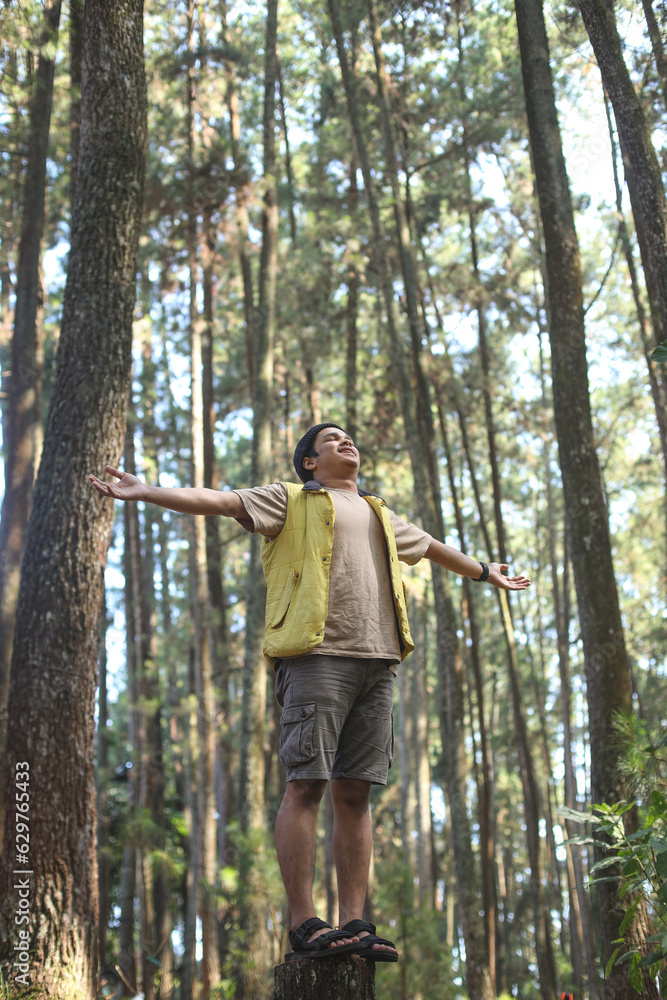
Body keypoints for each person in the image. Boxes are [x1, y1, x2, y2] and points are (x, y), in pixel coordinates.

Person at [89, 421, 530, 963]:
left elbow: (435, 549)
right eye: (332, 440)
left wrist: (486, 572)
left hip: (380, 663)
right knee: (307, 784)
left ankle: (354, 922)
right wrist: (147, 490)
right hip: (316, 655)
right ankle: (303, 922)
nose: (347, 443)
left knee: (356, 793)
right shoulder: (290, 500)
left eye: (349, 438)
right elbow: (220, 501)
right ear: (310, 463)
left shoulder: (380, 513)